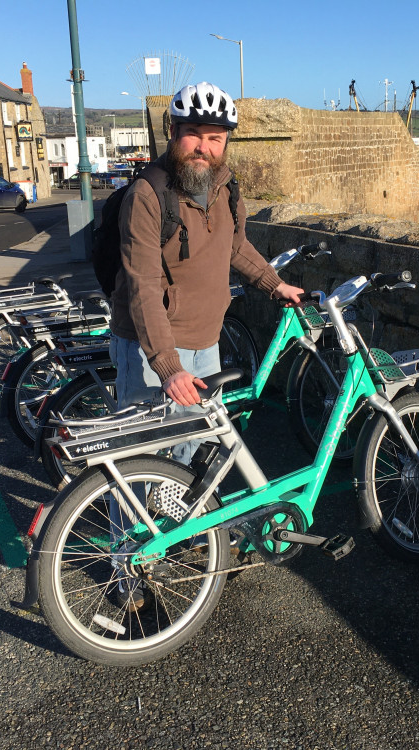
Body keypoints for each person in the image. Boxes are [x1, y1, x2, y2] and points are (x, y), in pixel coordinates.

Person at [107, 81, 304, 610]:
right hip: (153, 351)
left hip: (207, 342)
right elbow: (144, 285)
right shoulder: (147, 196)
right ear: (173, 134)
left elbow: (235, 245)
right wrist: (167, 366)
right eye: (194, 135)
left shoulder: (225, 187)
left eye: (214, 138)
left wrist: (272, 284)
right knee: (140, 459)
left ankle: (166, 536)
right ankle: (124, 563)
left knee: (189, 451)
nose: (204, 147)